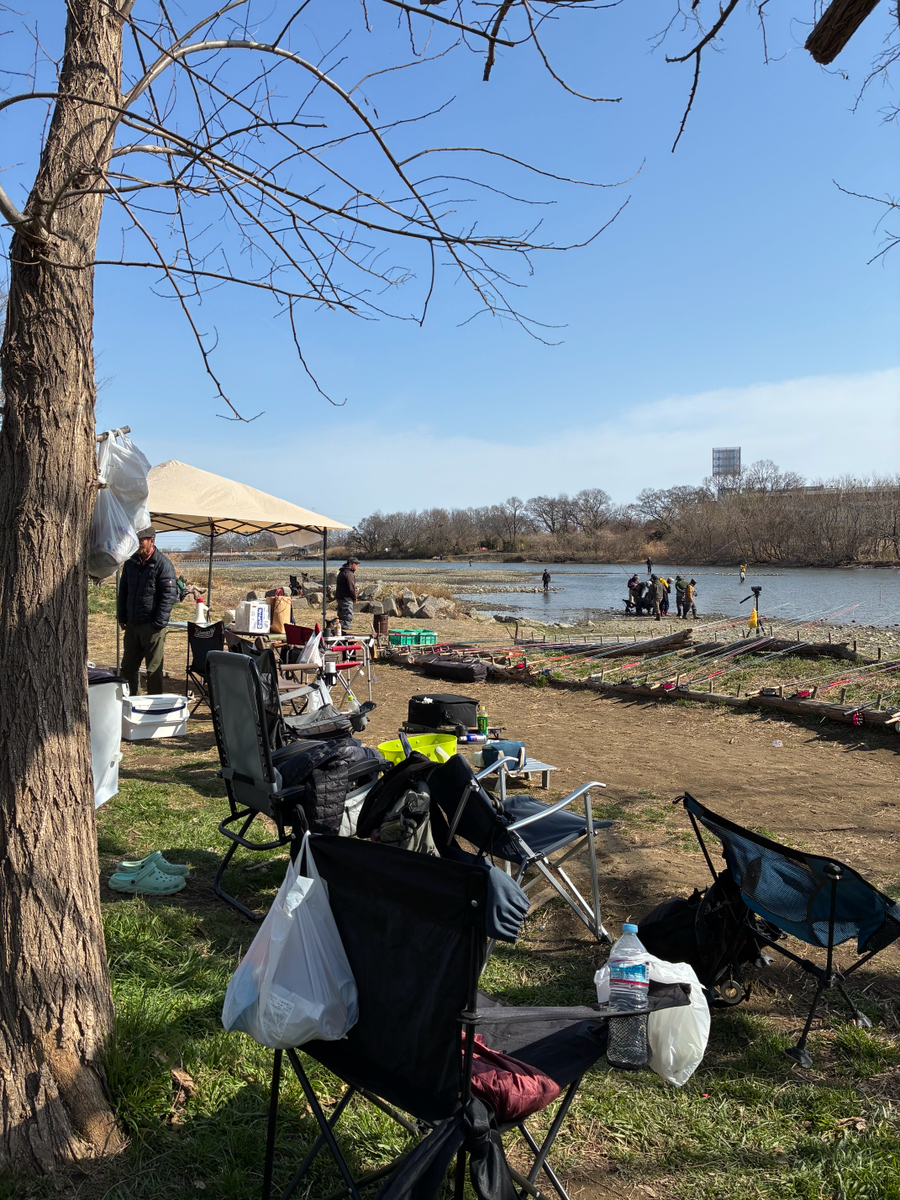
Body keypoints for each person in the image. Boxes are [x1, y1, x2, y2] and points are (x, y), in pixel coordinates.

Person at [117, 527, 177, 695]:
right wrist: (122, 616)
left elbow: (168, 596)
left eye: (141, 541)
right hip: (132, 624)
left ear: (152, 541)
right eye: (136, 540)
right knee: (128, 668)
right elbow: (123, 592)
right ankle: (131, 702)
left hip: (152, 626)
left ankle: (154, 705)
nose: (138, 544)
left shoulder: (163, 564)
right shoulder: (130, 563)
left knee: (153, 671)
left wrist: (159, 623)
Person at [336, 557, 359, 630]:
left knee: (341, 614)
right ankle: (346, 628)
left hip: (340, 596)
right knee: (347, 613)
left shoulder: (342, 572)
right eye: (356, 564)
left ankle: (340, 627)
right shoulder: (349, 573)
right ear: (351, 564)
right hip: (346, 597)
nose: (357, 566)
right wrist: (354, 598)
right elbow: (351, 588)